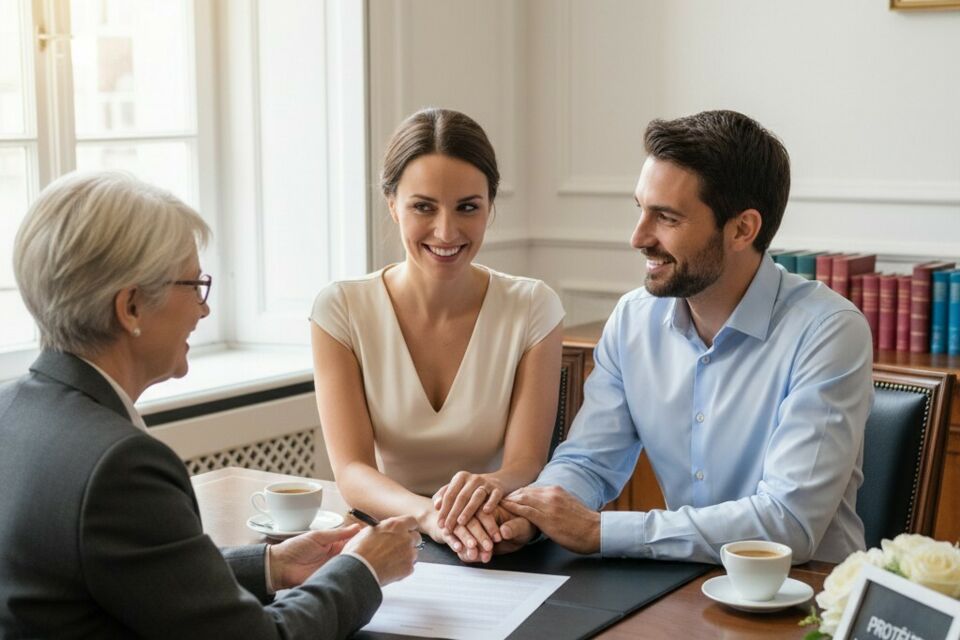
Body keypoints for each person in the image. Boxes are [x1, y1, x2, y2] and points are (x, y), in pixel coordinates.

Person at [0, 172, 420, 639]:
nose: (204, 311)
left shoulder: (11, 411)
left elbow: (121, 574)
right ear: (131, 307)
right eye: (194, 286)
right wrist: (363, 568)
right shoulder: (120, 467)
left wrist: (273, 565)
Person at [499, 110, 874, 564]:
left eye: (667, 218)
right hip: (683, 589)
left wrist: (599, 531)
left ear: (742, 229)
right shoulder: (632, 320)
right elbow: (587, 463)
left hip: (805, 602)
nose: (638, 237)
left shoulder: (828, 332)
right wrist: (528, 517)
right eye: (640, 209)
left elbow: (787, 524)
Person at [310, 108, 564, 564]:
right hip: (383, 535)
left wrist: (488, 492)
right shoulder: (340, 309)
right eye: (423, 206)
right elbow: (351, 471)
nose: (446, 232)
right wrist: (430, 517)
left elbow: (525, 464)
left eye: (468, 207)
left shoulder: (533, 307)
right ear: (392, 204)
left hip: (491, 537)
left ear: (490, 206)